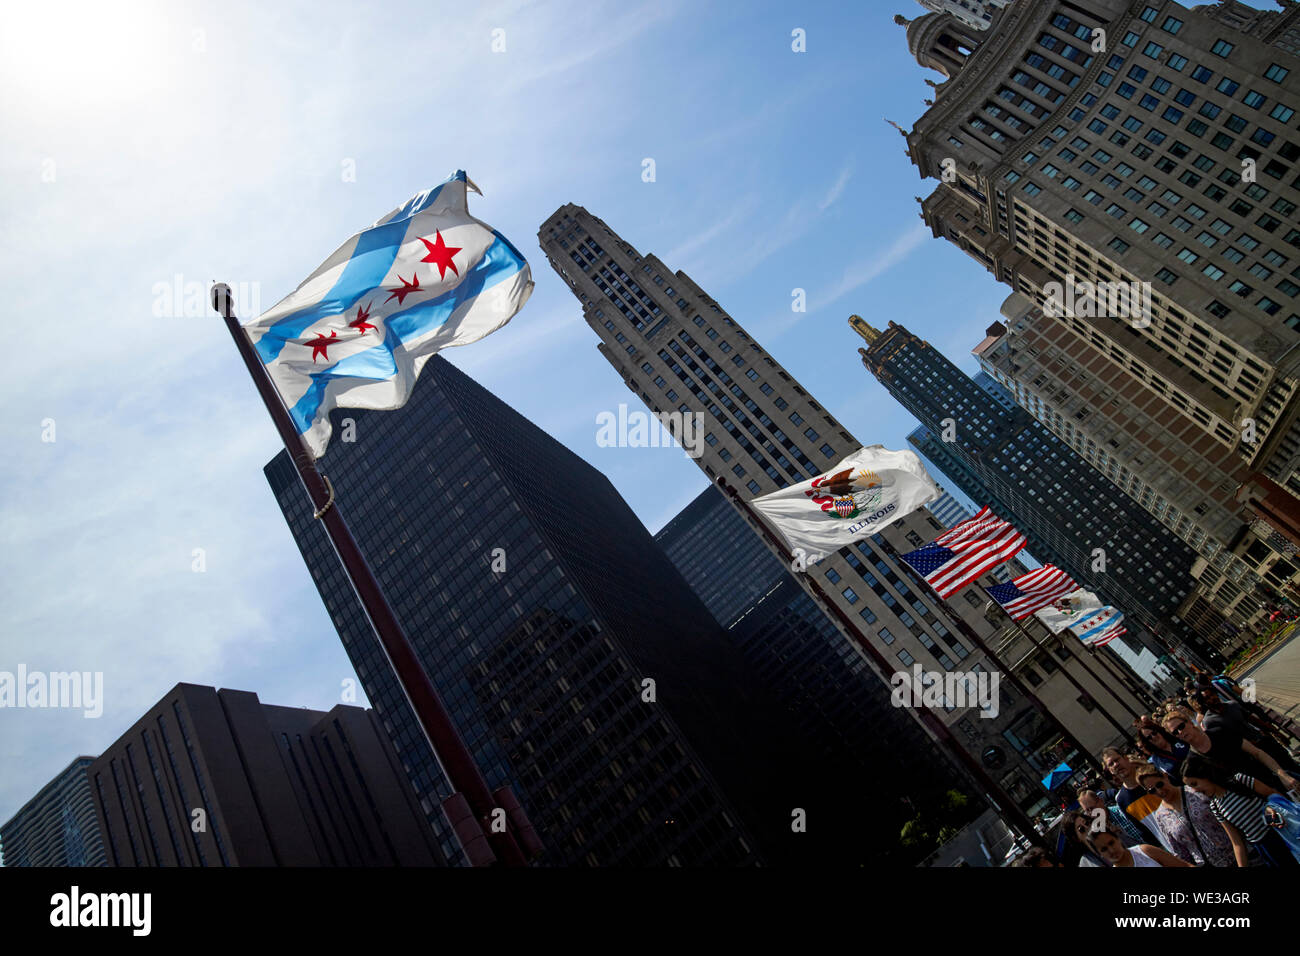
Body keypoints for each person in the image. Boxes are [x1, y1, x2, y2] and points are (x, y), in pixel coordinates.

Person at [1181, 754, 1299, 868]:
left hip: (1282, 834)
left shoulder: (1239, 780)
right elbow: (1237, 843)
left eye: (1195, 784)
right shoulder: (1215, 807)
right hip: (1266, 847)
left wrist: (1270, 809)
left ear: (1205, 774)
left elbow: (1272, 794)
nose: (1195, 790)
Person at [1161, 705, 1299, 795]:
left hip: (1272, 782)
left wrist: (1282, 775)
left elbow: (1257, 752)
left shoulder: (1219, 732)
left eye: (1181, 726)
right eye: (1175, 733)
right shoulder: (1193, 760)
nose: (1180, 732)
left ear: (1190, 723)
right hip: (1254, 801)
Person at [1134, 763, 1234, 867]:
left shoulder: (1195, 791)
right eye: (1152, 790)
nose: (1159, 791)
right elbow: (1180, 853)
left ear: (1165, 776)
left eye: (1159, 784)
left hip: (1237, 853)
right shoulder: (1161, 816)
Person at [1099, 748, 1173, 850]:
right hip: (1169, 847)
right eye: (1111, 764)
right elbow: (1144, 831)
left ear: (1125, 758)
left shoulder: (1152, 778)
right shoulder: (1121, 800)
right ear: (1110, 771)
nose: (1116, 765)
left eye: (1117, 760)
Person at [1086, 826, 1192, 868]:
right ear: (1099, 854)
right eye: (1104, 849)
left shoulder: (1145, 851)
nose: (1111, 850)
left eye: (1111, 843)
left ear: (1118, 839)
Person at [1133, 717, 1189, 783]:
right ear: (1147, 742)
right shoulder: (1156, 759)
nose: (1153, 737)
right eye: (1149, 737)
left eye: (1154, 733)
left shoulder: (1177, 738)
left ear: (1158, 731)